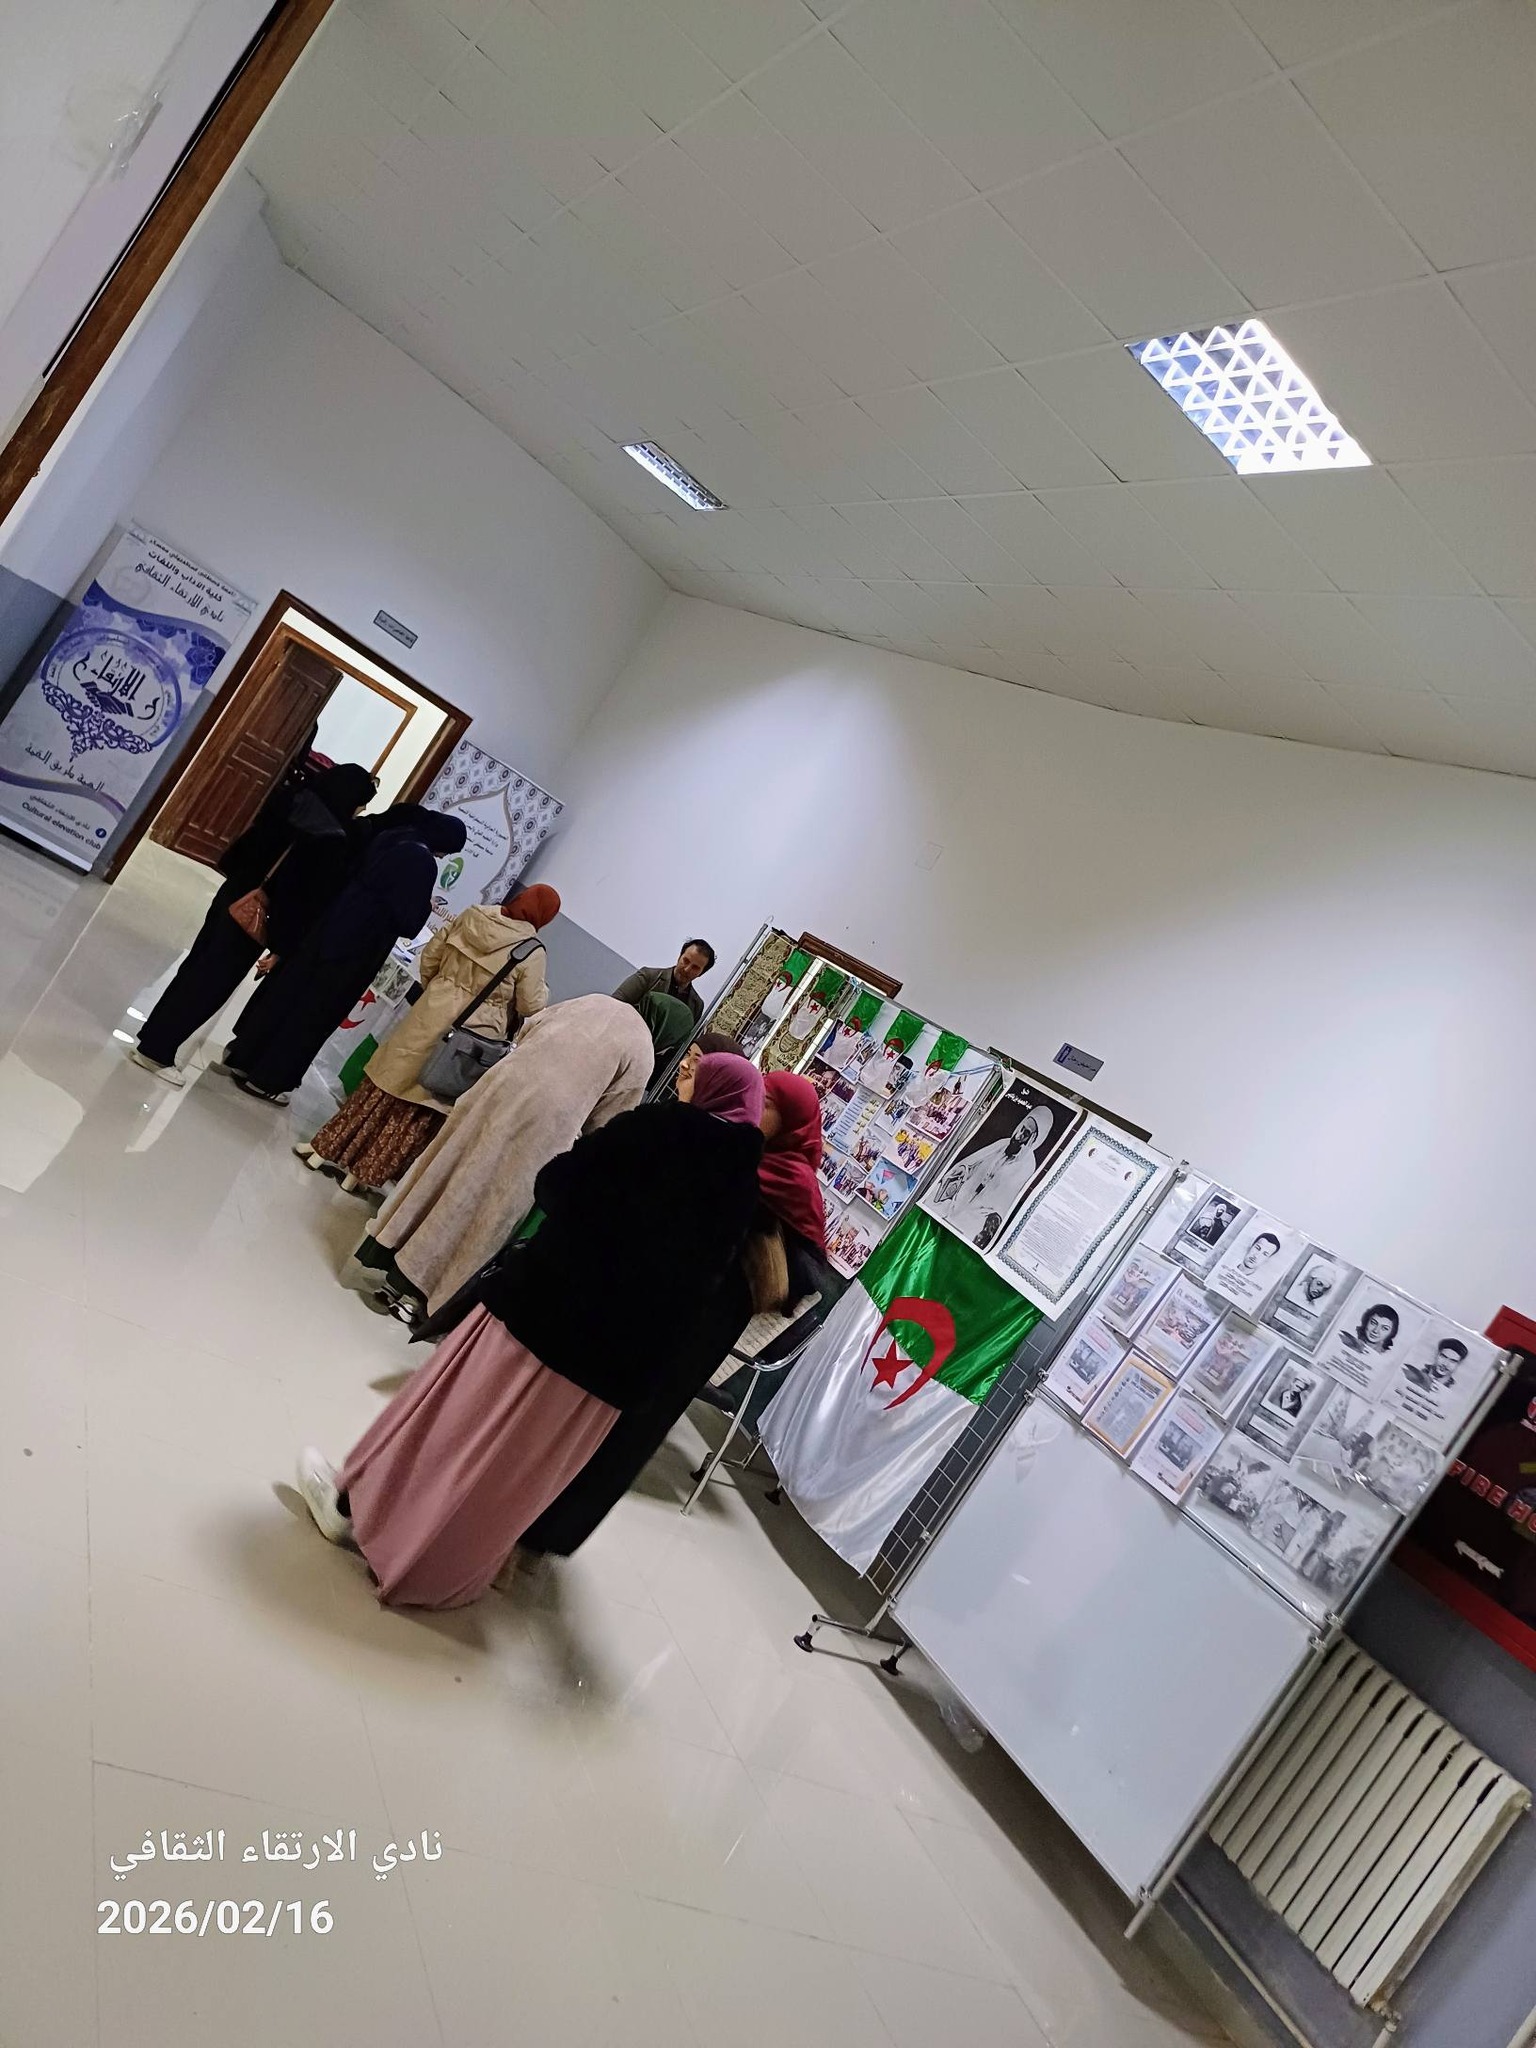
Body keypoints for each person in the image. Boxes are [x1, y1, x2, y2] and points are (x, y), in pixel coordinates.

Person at [293, 1054, 766, 1609]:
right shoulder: (742, 1184)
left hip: (544, 1314)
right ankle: (445, 1573)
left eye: (694, 1072)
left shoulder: (657, 1128)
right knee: (517, 1469)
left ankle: (357, 1512)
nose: (684, 1076)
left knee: (454, 1422)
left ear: (713, 1088)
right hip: (615, 1366)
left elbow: (559, 1184)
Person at [518, 1067, 830, 1561]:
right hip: (677, 1304)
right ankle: (532, 1509)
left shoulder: (790, 1180)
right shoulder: (743, 1155)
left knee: (635, 1423)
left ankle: (552, 1529)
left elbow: (796, 1270)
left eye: (768, 1104)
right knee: (604, 1410)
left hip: (708, 1321)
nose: (756, 1110)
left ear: (792, 1123)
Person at [353, 990, 693, 1317]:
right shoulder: (642, 1051)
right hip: (544, 1126)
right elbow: (610, 1120)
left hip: (501, 1085)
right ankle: (418, 1293)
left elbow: (531, 1026)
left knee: (447, 1167)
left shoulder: (595, 1001)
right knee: (487, 1207)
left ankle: (390, 1253)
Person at [295, 883, 560, 1191]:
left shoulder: (473, 915)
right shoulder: (530, 951)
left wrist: (440, 989)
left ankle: (324, 1148)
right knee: (422, 1103)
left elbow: (431, 955)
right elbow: (531, 1005)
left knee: (384, 1084)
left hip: (430, 1010)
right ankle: (359, 1175)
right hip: (469, 1036)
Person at [130, 762, 378, 1084]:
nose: (359, 812)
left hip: (233, 892)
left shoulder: (292, 799)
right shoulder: (329, 837)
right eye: (360, 805)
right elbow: (298, 897)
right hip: (257, 910)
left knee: (196, 967)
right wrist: (282, 946)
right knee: (212, 984)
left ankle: (152, 1036)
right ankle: (156, 1051)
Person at [218, 807, 467, 1105]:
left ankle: (245, 1059)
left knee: (288, 996)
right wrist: (426, 906)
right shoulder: (422, 862)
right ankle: (268, 1079)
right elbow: (408, 921)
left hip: (329, 928)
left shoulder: (393, 837)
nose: (444, 856)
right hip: (357, 948)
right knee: (314, 1014)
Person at [931, 1103, 1055, 1249]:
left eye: (1026, 1134)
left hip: (976, 1219)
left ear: (1034, 1140)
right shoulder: (1003, 1143)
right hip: (958, 1201)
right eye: (1022, 1128)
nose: (1019, 1135)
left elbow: (1002, 1204)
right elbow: (974, 1163)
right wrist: (964, 1170)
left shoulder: (1027, 1166)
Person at [613, 939, 715, 1025]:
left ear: (701, 973)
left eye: (695, 967)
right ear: (679, 957)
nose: (687, 969)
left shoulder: (697, 1005)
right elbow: (614, 1004)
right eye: (686, 961)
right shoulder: (648, 976)